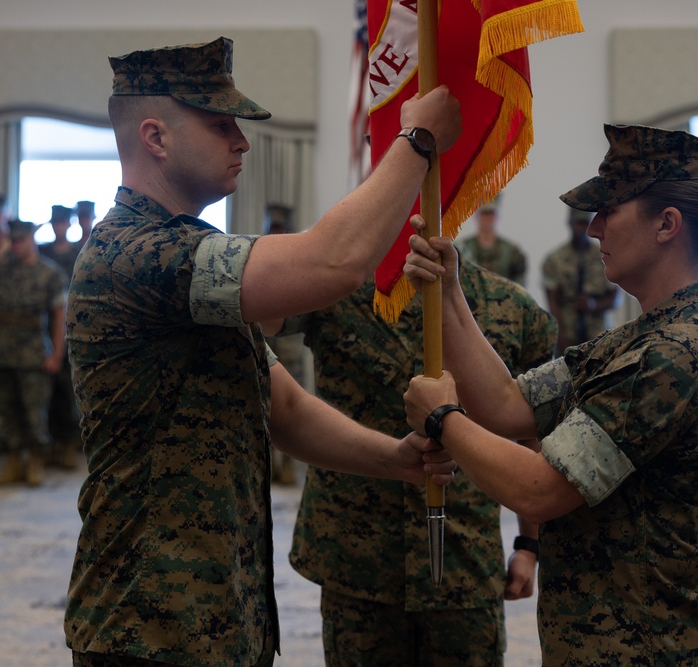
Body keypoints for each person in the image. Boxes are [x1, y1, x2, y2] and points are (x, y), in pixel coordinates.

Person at [63, 36, 460, 667]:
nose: (241, 141)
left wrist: (398, 461)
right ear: (155, 138)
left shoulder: (188, 257)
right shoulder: (134, 253)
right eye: (220, 125)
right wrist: (415, 144)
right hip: (148, 628)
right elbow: (335, 262)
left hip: (219, 621)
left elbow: (285, 408)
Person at [403, 123, 698, 666]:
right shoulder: (640, 339)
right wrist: (451, 295)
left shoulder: (677, 354)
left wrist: (443, 421)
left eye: (609, 210)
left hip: (652, 648)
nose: (593, 228)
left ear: (667, 224)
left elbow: (542, 491)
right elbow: (508, 407)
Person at [266, 256, 556, 666]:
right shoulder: (338, 288)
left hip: (464, 563)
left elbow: (532, 434)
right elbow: (264, 311)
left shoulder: (512, 308)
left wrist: (528, 545)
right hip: (357, 561)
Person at [0, 218, 66, 487]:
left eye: (22, 240)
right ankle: (13, 461)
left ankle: (35, 462)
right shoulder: (1, 270)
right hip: (2, 350)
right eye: (14, 240)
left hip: (34, 351)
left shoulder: (49, 273)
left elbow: (59, 316)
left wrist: (56, 354)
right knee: (4, 411)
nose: (18, 245)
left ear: (31, 240)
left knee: (35, 412)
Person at [260, 203, 304, 485]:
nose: (276, 232)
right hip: (266, 342)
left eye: (280, 228)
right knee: (264, 405)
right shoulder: (260, 253)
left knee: (292, 407)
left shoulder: (297, 254)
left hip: (289, 345)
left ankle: (287, 468)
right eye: (272, 228)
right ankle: (269, 468)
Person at [39, 204, 82, 469]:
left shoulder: (80, 252)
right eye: (54, 223)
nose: (59, 227)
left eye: (63, 222)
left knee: (69, 392)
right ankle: (50, 444)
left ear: (69, 224)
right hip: (46, 328)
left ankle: (68, 445)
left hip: (75, 328)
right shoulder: (42, 251)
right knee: (48, 392)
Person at [541, 207, 618, 350]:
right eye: (578, 223)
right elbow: (553, 303)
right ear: (569, 223)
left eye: (585, 223)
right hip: (568, 335)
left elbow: (615, 299)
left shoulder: (605, 256)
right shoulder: (554, 260)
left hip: (601, 336)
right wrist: (560, 337)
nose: (581, 228)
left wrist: (593, 305)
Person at [455, 192, 527, 285]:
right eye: (484, 213)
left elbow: (520, 288)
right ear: (476, 215)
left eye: (491, 213)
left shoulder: (513, 252)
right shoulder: (460, 249)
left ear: (498, 216)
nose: (488, 218)